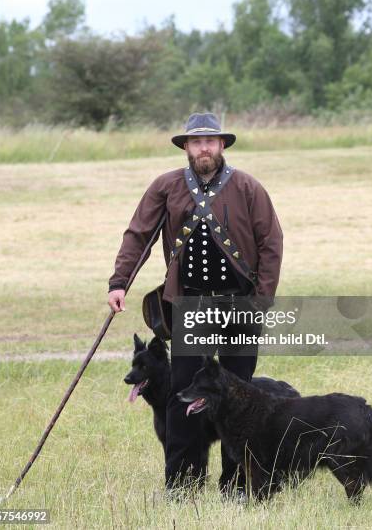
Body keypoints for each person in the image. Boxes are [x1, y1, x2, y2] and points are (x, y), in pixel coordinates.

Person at [108, 112, 283, 497]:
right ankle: (182, 486)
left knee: (239, 395)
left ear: (222, 145)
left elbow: (271, 242)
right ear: (186, 147)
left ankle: (237, 486)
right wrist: (119, 282)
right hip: (190, 305)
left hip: (241, 306)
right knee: (183, 393)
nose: (204, 148)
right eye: (196, 142)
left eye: (211, 141)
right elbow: (138, 236)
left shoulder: (248, 187)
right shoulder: (166, 186)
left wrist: (262, 299)